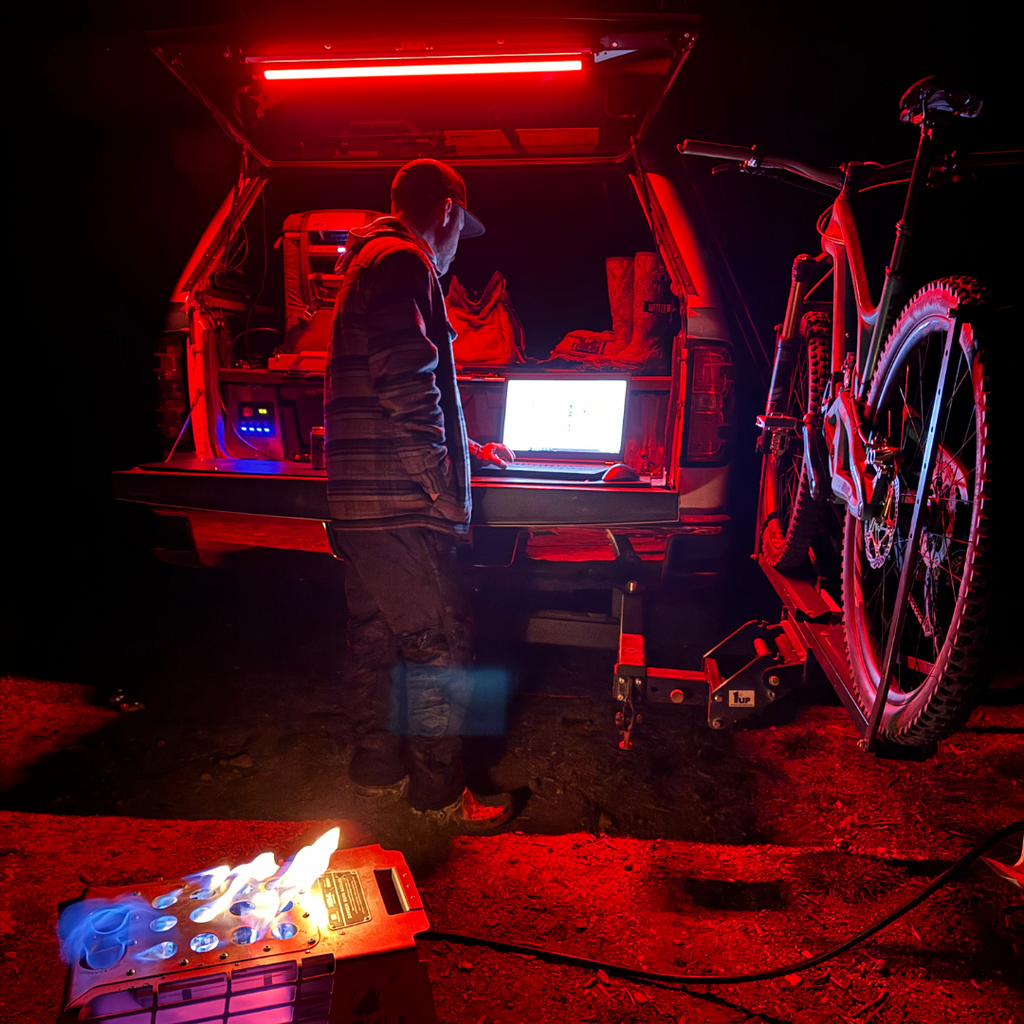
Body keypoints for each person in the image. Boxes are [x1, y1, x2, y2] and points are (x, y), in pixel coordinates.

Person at [324, 158, 515, 832]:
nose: (459, 241)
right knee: (439, 647)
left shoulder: (364, 262)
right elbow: (407, 379)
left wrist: (468, 450)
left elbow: (391, 381)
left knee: (376, 641)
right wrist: (440, 483)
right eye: (461, 226)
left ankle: (376, 773)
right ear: (448, 210)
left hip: (360, 504)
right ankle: (439, 796)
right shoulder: (405, 261)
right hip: (402, 502)